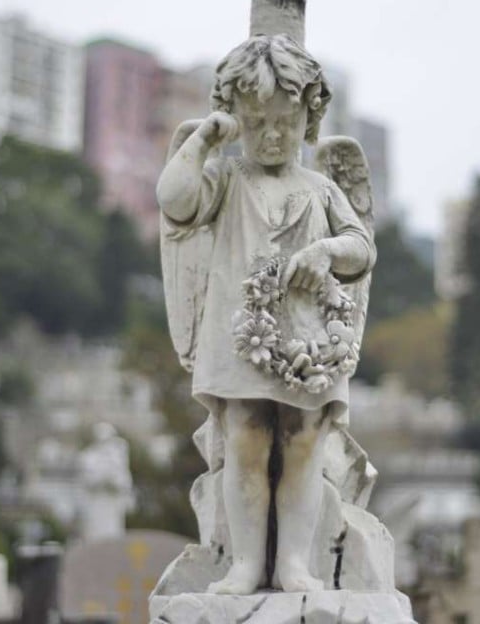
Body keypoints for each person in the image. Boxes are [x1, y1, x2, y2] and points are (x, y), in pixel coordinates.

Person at [156, 33, 376, 594]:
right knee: (247, 442)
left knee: (303, 444)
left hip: (308, 342)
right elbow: (175, 201)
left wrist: (326, 250)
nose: (273, 135)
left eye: (286, 121)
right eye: (256, 123)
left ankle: (293, 564)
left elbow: (361, 246)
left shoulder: (321, 186)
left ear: (310, 115)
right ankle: (246, 564)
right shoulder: (227, 179)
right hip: (239, 336)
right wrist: (203, 139)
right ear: (234, 120)